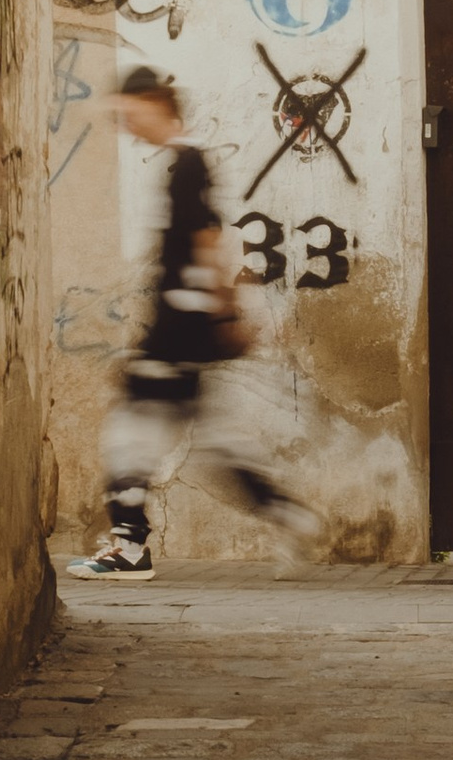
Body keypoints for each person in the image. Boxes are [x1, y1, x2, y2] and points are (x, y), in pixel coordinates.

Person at [65, 65, 319, 580]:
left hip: (177, 327)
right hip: (185, 324)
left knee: (127, 437)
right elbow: (212, 240)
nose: (126, 126)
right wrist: (224, 312)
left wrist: (225, 312)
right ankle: (284, 512)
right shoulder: (187, 164)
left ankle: (130, 547)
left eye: (130, 115)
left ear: (157, 106)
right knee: (213, 441)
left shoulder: (187, 164)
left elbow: (206, 243)